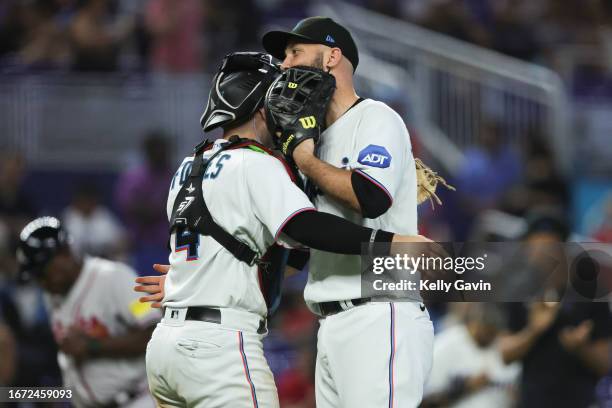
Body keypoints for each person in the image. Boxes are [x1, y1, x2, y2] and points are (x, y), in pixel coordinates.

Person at [139, 51, 440, 408]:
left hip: (165, 346)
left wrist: (186, 283)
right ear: (264, 108)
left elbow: (254, 246)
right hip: (218, 347)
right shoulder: (255, 162)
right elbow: (305, 226)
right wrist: (392, 242)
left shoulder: (188, 167)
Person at [261, 16, 435, 407]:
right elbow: (301, 249)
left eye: (294, 52)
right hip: (330, 323)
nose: (284, 65)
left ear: (331, 57)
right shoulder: (310, 141)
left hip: (379, 313)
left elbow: (371, 198)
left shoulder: (375, 118)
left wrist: (304, 161)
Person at [16, 216, 160, 407]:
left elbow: (155, 333)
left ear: (65, 253)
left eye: (43, 271)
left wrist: (92, 346)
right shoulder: (52, 294)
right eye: (36, 276)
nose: (41, 282)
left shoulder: (115, 277)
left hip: (136, 400)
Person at [498, 211, 612, 408]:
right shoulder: (519, 291)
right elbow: (505, 354)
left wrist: (581, 347)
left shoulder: (591, 292)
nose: (541, 255)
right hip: (532, 401)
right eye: (535, 248)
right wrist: (534, 330)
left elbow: (605, 364)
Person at [422, 304, 519, 408]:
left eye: (492, 331)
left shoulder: (506, 349)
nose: (487, 334)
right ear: (471, 322)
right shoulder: (444, 346)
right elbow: (425, 402)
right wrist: (464, 387)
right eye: (484, 327)